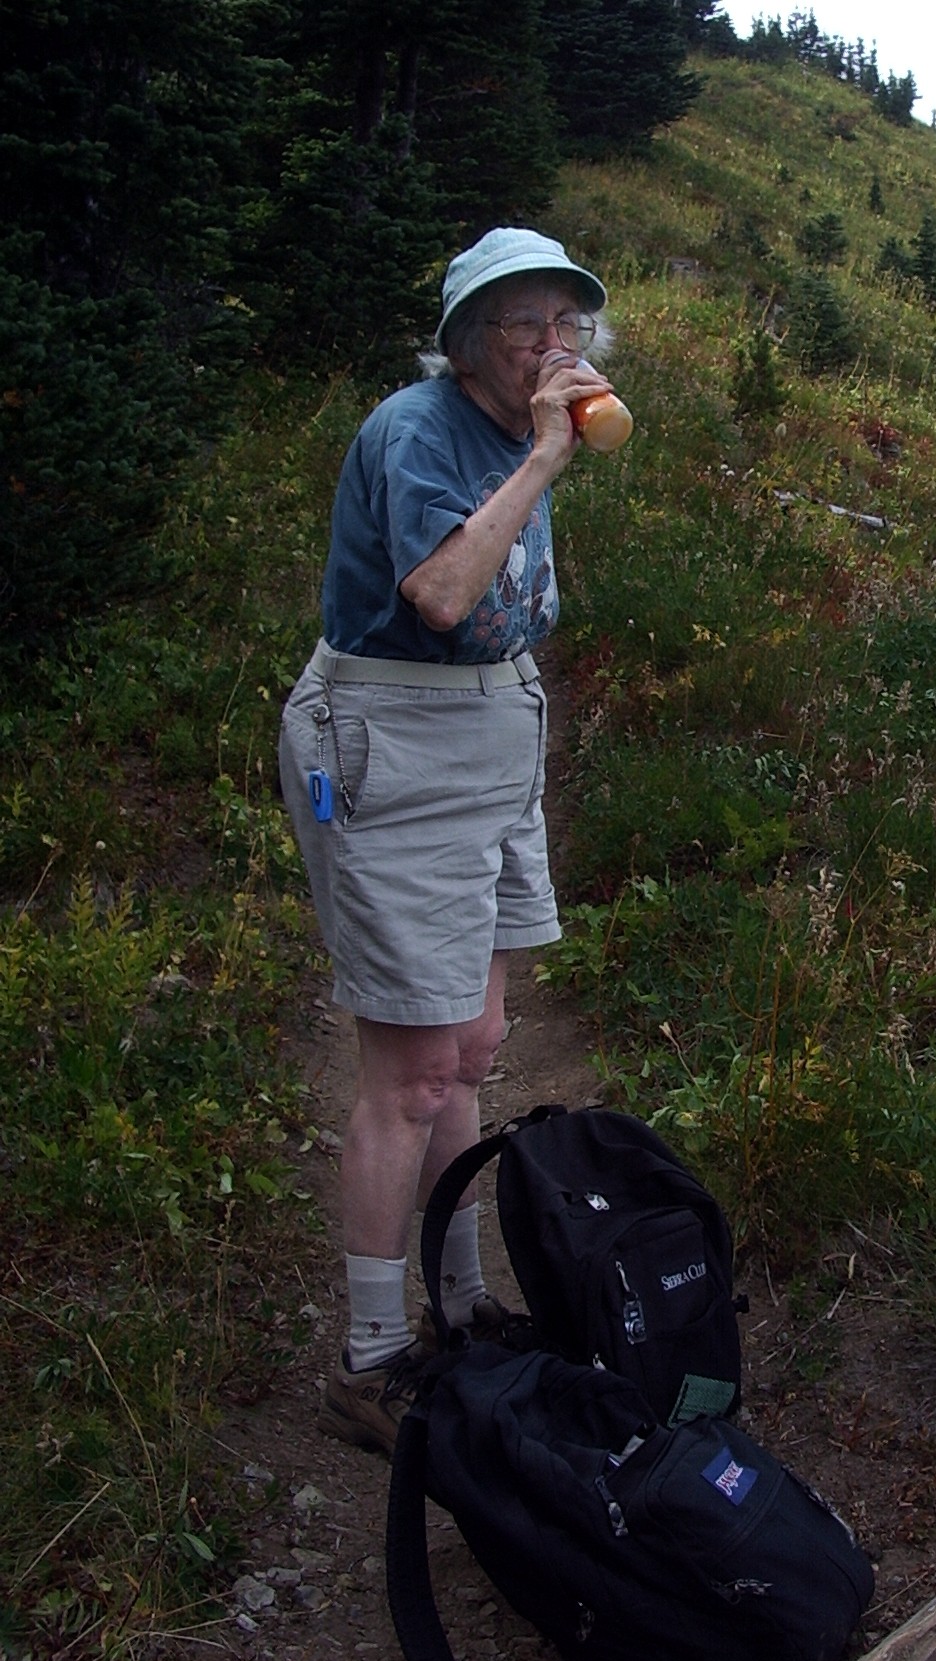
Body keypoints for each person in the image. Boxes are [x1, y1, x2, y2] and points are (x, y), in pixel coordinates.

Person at [278, 227, 617, 1454]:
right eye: (528, 327)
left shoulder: (516, 428)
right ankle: (371, 1357)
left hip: (489, 739)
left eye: (567, 326)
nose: (553, 348)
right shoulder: (422, 431)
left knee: (470, 1054)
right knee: (408, 1075)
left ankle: (463, 1308)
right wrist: (542, 458)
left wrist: (542, 448)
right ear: (472, 340)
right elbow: (440, 595)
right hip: (394, 746)